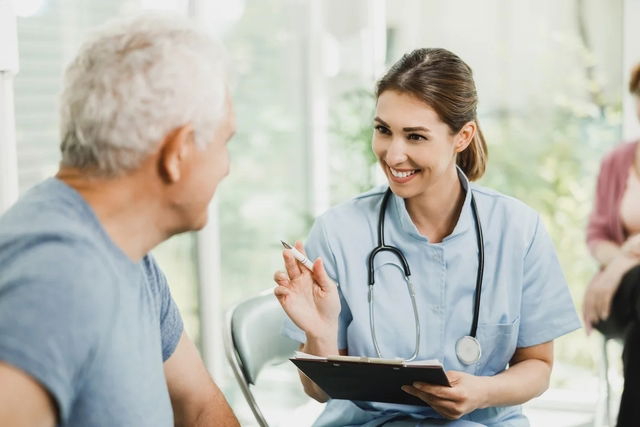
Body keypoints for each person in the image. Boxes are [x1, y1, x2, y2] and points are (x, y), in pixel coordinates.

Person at [273, 48, 581, 426]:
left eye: (415, 136)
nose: (393, 154)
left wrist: (483, 392)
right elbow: (318, 391)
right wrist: (319, 336)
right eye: (383, 130)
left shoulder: (518, 229)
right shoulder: (339, 232)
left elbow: (537, 365)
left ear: (462, 136)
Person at [0, 14, 239, 427]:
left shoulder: (131, 258)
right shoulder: (54, 277)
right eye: (224, 142)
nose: (226, 167)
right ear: (178, 153)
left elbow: (199, 407)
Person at [582, 63, 640, 427]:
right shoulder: (617, 161)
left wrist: (621, 263)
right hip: (617, 294)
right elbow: (597, 234)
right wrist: (622, 263)